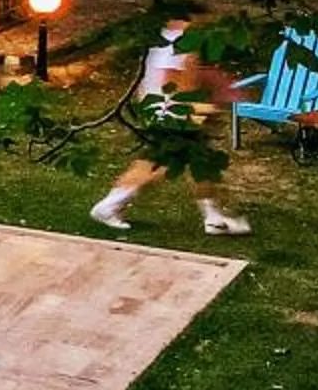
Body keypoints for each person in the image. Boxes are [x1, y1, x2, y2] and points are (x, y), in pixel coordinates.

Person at [90, 20, 252, 235]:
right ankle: (108, 206)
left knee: (200, 163)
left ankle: (213, 217)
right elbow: (172, 80)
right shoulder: (177, 41)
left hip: (167, 111)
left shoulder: (171, 38)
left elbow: (183, 75)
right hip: (172, 114)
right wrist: (198, 108)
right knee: (158, 165)